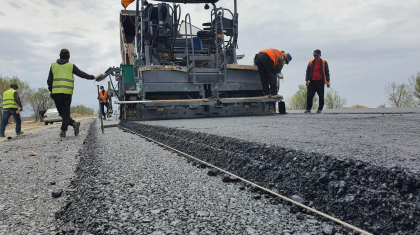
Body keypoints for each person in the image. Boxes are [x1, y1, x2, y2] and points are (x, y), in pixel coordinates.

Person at [47, 48, 100, 137]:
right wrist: (93, 77)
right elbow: (81, 74)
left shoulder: (53, 65)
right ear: (69, 57)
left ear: (59, 56)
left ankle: (63, 130)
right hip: (67, 93)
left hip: (56, 93)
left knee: (63, 113)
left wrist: (50, 90)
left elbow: (49, 80)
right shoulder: (70, 66)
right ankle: (74, 124)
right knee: (64, 113)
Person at [304, 49, 330, 114]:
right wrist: (307, 80)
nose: (315, 57)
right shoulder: (311, 62)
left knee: (321, 96)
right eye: (314, 55)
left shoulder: (324, 62)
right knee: (309, 96)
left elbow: (327, 72)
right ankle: (308, 109)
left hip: (320, 82)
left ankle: (320, 109)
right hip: (311, 82)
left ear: (320, 55)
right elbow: (307, 71)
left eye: (316, 55)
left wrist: (328, 81)